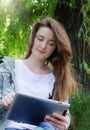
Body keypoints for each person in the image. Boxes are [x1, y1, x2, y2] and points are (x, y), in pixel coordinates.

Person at [0, 17, 77, 130]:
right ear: (33, 39)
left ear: (55, 49)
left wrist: (66, 122)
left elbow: (64, 113)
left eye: (51, 43)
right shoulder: (7, 68)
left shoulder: (57, 79)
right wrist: (3, 104)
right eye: (40, 39)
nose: (43, 46)